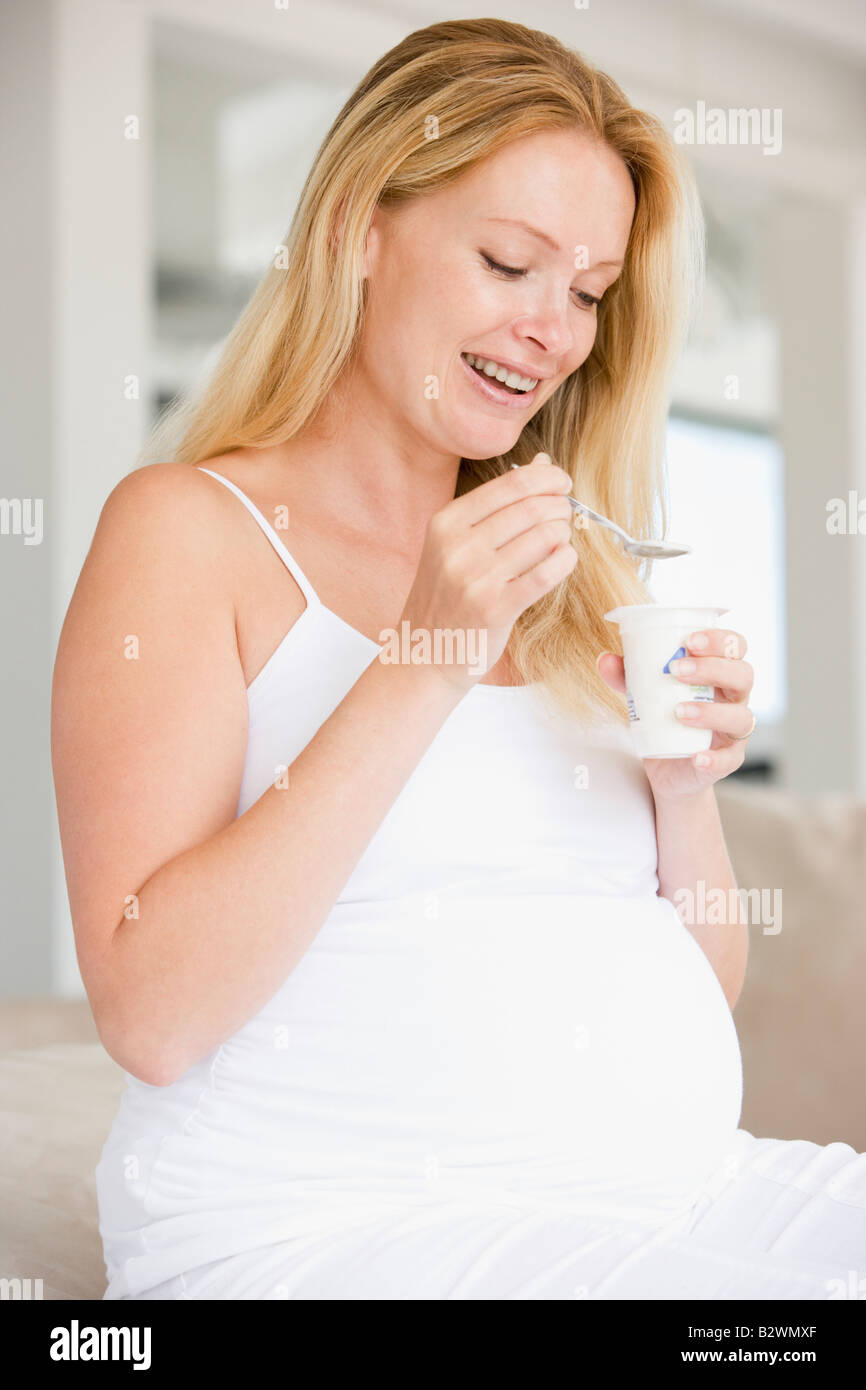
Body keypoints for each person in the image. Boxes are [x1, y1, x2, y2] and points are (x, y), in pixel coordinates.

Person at [51, 18, 864, 1300]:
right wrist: (425, 655)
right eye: (508, 262)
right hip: (326, 1230)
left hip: (669, 1190)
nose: (553, 329)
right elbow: (150, 1013)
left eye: (589, 291)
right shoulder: (186, 533)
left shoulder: (569, 576)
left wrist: (682, 794)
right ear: (358, 228)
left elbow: (693, 995)